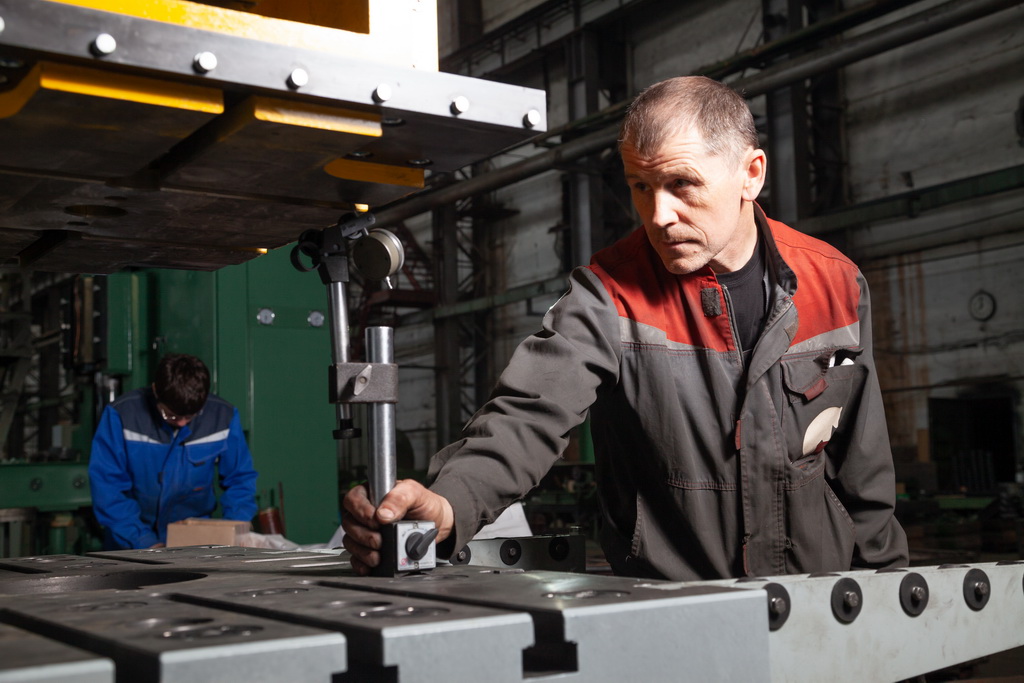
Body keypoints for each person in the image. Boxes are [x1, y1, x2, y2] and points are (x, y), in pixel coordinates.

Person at [342, 76, 908, 580]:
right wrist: (448, 505)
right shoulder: (608, 293)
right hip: (672, 614)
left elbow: (863, 468)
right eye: (641, 187)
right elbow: (528, 414)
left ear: (750, 175)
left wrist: (889, 601)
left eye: (682, 184)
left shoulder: (835, 284)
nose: (659, 215)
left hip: (819, 605)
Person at [89, 353, 257, 549]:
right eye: (171, 415)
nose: (182, 423)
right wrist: (145, 542)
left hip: (196, 540)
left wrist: (233, 531)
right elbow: (107, 487)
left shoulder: (223, 417)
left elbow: (240, 480)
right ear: (155, 391)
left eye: (191, 416)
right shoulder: (121, 416)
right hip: (131, 539)